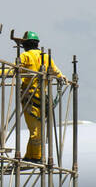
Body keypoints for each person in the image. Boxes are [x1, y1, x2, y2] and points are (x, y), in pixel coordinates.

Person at [17, 31, 65, 161]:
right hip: (41, 99)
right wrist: (61, 77)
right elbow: (55, 70)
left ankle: (35, 156)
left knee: (35, 131)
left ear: (25, 45)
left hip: (30, 98)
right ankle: (31, 156)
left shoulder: (25, 56)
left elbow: (14, 70)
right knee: (38, 130)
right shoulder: (45, 57)